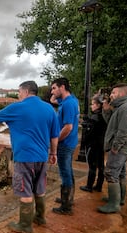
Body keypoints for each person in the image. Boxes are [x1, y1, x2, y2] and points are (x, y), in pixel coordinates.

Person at [0, 81, 59, 233]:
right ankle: (40, 218)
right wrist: (53, 153)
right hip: (42, 157)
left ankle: (25, 226)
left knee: (26, 191)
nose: (19, 95)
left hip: (24, 157)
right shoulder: (49, 109)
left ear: (26, 91)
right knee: (39, 189)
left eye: (19, 92)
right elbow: (55, 135)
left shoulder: (17, 108)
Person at [98, 83, 127, 213]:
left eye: (113, 93)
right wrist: (105, 109)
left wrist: (115, 147)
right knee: (120, 173)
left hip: (120, 148)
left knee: (111, 173)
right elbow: (112, 122)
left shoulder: (126, 108)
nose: (111, 95)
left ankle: (113, 204)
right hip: (121, 147)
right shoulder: (121, 107)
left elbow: (124, 130)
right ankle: (119, 199)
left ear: (121, 94)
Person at [50, 77, 79, 215]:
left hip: (65, 144)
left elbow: (68, 127)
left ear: (62, 87)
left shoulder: (68, 104)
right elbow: (53, 100)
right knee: (68, 170)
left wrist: (56, 141)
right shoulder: (70, 100)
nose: (52, 91)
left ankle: (66, 206)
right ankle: (68, 199)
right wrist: (55, 95)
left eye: (54, 88)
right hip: (70, 143)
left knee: (65, 172)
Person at [79, 93, 107, 193]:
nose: (92, 106)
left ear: (98, 105)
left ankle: (89, 185)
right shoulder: (104, 116)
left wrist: (85, 142)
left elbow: (89, 133)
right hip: (101, 144)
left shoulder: (95, 117)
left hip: (93, 144)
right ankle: (99, 185)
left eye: (93, 104)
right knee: (100, 165)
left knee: (92, 166)